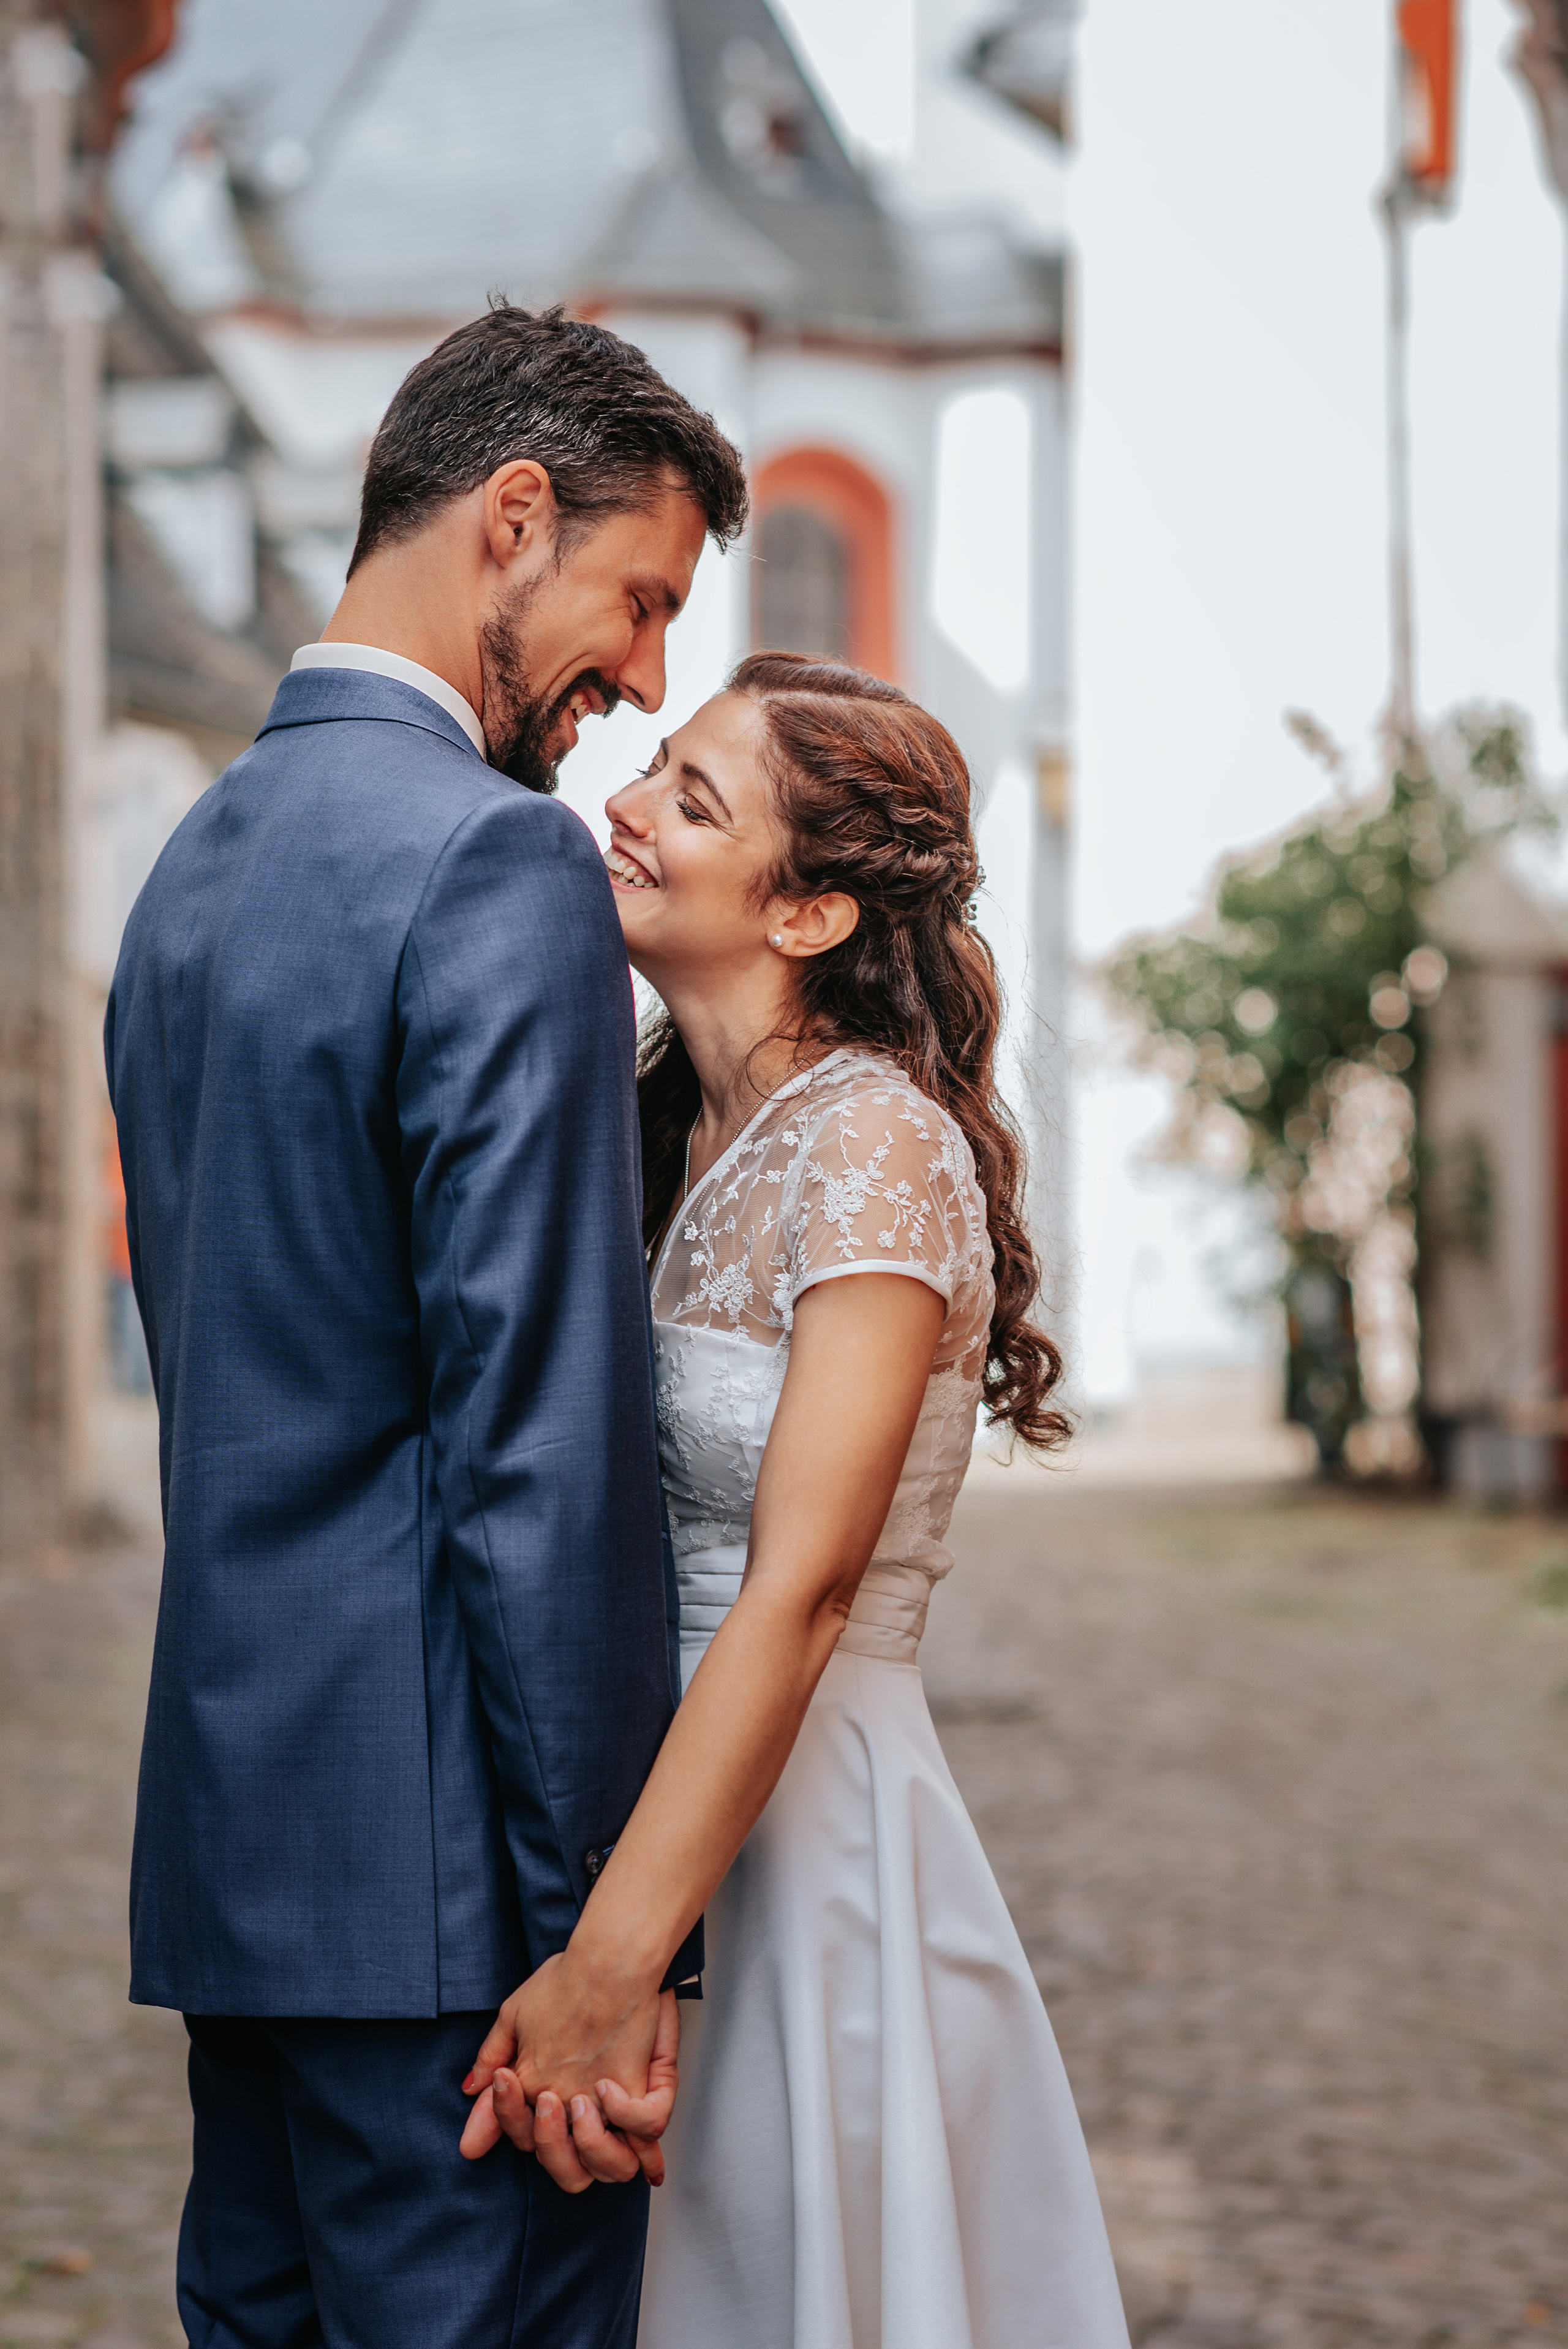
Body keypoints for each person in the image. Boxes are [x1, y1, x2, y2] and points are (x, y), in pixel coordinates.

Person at [104, 302, 748, 2349]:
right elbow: (536, 1448)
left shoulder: (190, 871)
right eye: (640, 600)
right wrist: (606, 1928)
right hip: (463, 1922)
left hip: (246, 1871)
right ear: (515, 512)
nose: (644, 684)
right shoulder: (492, 864)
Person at [459, 654, 1132, 2347]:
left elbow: (802, 1590)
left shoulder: (874, 1145)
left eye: (694, 800)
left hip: (805, 1828)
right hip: (639, 1796)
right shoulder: (655, 1124)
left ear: (814, 912)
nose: (623, 804)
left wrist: (618, 1962)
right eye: (654, 770)